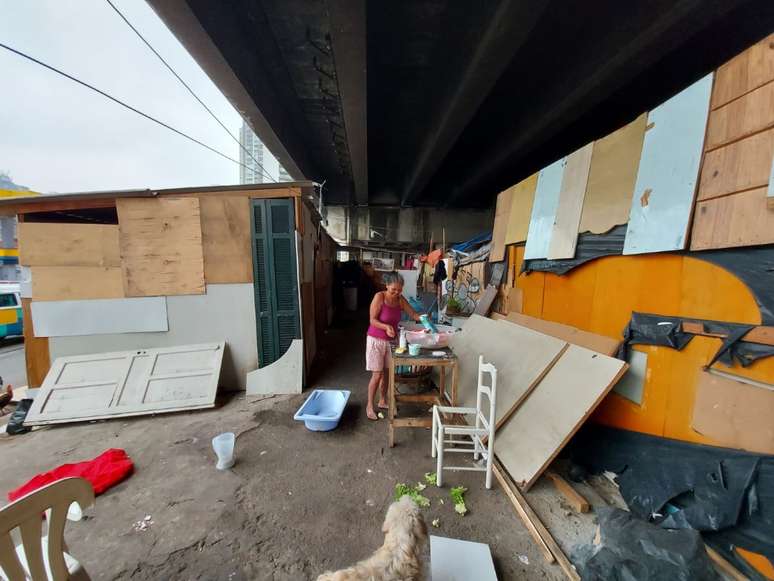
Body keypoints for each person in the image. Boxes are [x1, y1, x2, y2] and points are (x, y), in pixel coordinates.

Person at [366, 271, 421, 420]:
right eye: (393, 290)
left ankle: (383, 400)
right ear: (387, 285)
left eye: (399, 290)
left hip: (391, 342)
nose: (397, 293)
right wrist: (386, 327)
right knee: (377, 375)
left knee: (388, 374)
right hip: (375, 340)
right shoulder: (380, 297)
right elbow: (372, 320)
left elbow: (413, 314)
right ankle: (369, 406)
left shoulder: (400, 300)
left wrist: (423, 318)